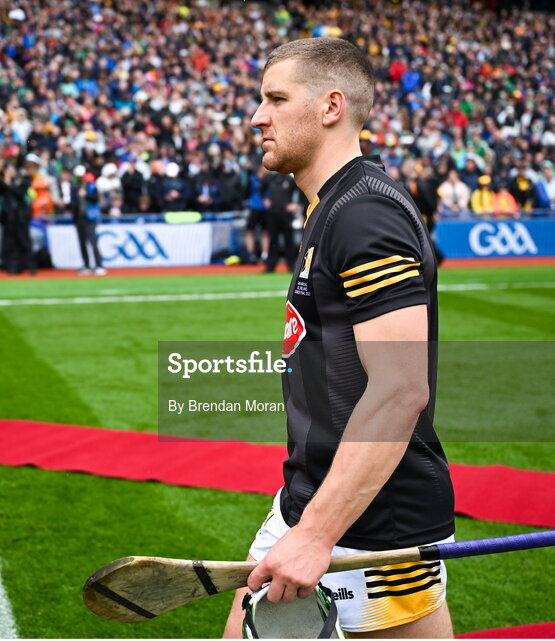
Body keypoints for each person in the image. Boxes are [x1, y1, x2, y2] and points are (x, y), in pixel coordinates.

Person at [224, 38, 454, 638]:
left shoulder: (363, 214)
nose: (257, 117)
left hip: (370, 528)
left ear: (330, 107)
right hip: (315, 499)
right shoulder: (331, 206)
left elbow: (402, 389)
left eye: (275, 99)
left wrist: (318, 534)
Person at [0, 162, 36, 274]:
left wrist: (9, 184)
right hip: (8, 217)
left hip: (21, 216)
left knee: (24, 241)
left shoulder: (23, 179)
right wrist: (4, 180)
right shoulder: (4, 181)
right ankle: (10, 266)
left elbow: (19, 193)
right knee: (8, 243)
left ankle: (31, 266)